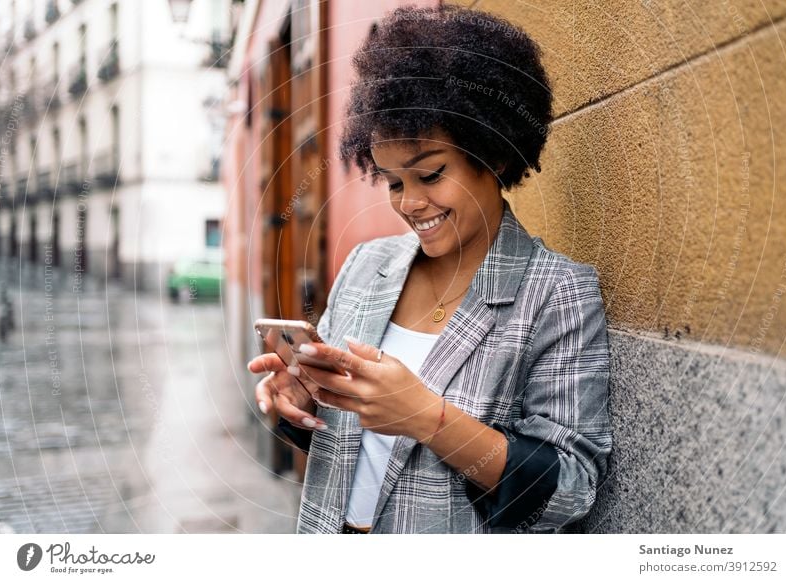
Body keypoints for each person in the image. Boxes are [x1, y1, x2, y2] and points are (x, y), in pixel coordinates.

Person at [248, 5, 611, 534]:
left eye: (430, 174)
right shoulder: (366, 265)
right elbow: (347, 439)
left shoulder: (557, 294)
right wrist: (298, 402)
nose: (410, 203)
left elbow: (572, 491)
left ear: (497, 154)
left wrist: (427, 418)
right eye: (394, 182)